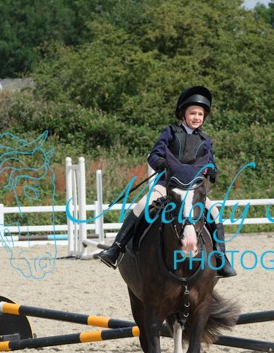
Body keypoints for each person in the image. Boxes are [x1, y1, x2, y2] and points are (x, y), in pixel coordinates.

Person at [98, 86, 236, 277]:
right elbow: (154, 155)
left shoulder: (205, 140)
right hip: (168, 185)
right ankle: (116, 248)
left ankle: (220, 257)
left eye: (200, 114)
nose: (196, 117)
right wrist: (161, 163)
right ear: (183, 114)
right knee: (142, 205)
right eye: (192, 113)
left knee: (214, 212)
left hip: (193, 189)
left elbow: (210, 162)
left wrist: (211, 170)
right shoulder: (170, 132)